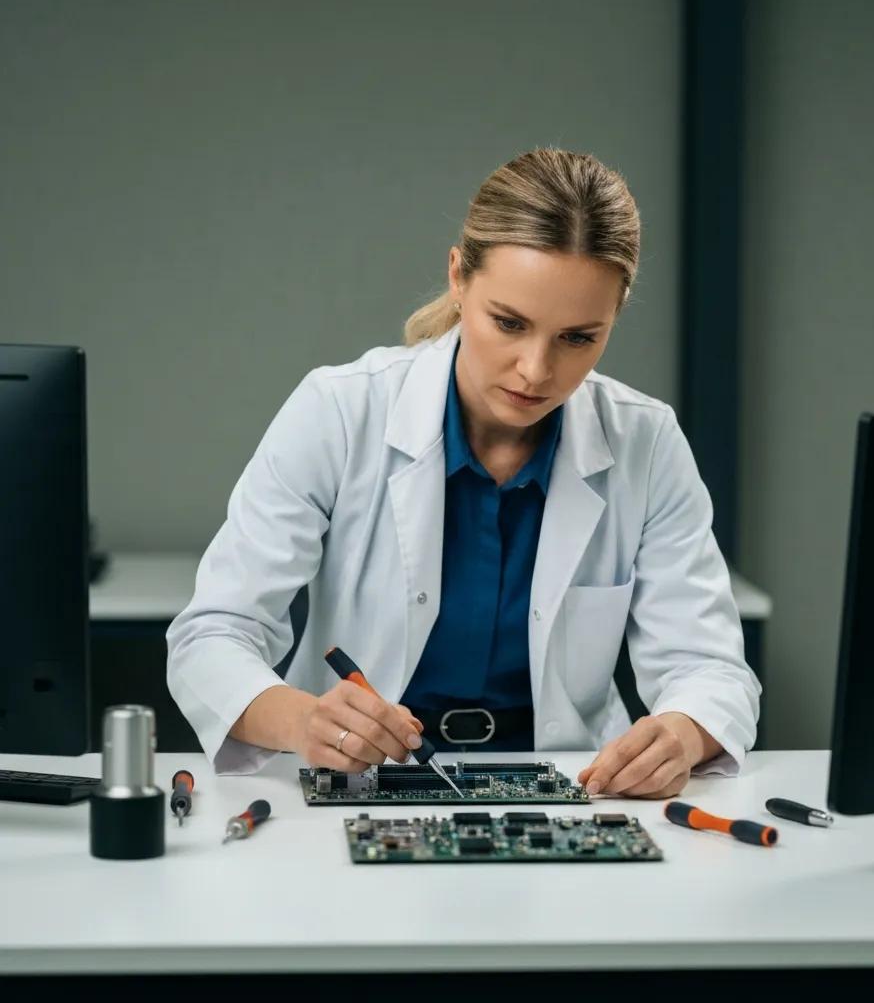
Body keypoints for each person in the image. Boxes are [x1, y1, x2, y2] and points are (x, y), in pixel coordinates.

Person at [166, 147, 760, 799]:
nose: (536, 370)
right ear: (458, 276)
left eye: (578, 338)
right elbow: (211, 636)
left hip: (570, 789)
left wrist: (681, 731)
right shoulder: (340, 411)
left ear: (614, 317)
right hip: (359, 787)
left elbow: (711, 668)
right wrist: (307, 720)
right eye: (509, 323)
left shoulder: (645, 441)